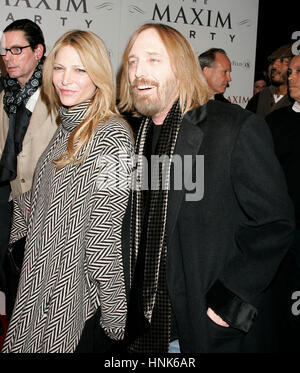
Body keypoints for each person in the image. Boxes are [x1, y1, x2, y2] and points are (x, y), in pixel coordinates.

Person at [118, 23, 295, 353]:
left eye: (154, 59)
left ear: (182, 66)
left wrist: (229, 300)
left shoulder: (234, 129)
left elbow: (275, 224)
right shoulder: (138, 138)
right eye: (132, 61)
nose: (139, 72)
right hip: (146, 326)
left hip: (203, 328)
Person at [2, 29, 133, 353]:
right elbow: (41, 200)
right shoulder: (67, 126)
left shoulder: (114, 136)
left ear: (99, 75)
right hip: (39, 280)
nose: (65, 79)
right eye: (59, 68)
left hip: (72, 295)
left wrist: (116, 315)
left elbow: (105, 235)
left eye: (80, 69)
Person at [0, 19, 57, 318]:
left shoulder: (59, 94)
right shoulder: (5, 97)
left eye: (17, 49)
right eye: (5, 50)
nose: (8, 56)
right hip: (15, 210)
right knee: (16, 293)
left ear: (38, 51)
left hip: (51, 210)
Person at [265, 54, 300, 352]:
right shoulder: (275, 122)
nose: (291, 77)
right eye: (290, 71)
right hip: (283, 243)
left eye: (299, 71)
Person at [246, 44, 294, 117]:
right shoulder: (260, 97)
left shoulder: (295, 99)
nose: (274, 66)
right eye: (272, 62)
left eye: (282, 61)